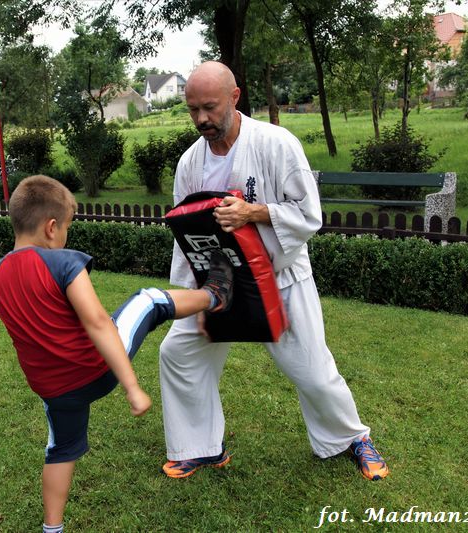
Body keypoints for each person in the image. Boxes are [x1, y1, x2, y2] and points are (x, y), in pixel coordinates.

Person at [0, 175, 235, 533]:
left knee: (61, 450)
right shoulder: (62, 264)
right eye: (67, 227)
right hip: (98, 369)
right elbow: (98, 323)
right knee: (149, 301)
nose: (66, 236)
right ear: (51, 228)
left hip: (56, 391)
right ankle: (216, 294)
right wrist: (131, 386)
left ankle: (52, 528)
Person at [158, 61, 389, 481]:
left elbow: (309, 214)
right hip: (219, 282)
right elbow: (187, 229)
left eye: (209, 107)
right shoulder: (190, 162)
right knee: (178, 352)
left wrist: (253, 212)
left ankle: (352, 437)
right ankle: (200, 448)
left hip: (280, 277)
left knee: (313, 372)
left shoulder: (276, 144)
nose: (201, 119)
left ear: (234, 97)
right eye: (193, 109)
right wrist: (195, 291)